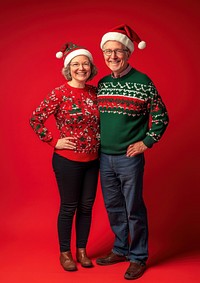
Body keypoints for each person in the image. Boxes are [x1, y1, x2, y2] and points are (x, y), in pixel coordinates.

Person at [96, 24, 169, 280]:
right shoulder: (102, 84)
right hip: (104, 157)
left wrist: (146, 143)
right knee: (113, 206)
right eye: (107, 51)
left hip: (129, 159)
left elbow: (161, 117)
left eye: (118, 51)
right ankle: (120, 249)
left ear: (128, 53)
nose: (112, 56)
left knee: (133, 208)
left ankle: (138, 256)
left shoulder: (143, 82)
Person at [29, 42, 100, 272]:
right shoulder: (59, 93)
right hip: (68, 161)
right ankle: (65, 252)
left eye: (85, 63)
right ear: (69, 68)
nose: (81, 68)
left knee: (87, 207)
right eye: (76, 64)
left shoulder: (94, 92)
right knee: (69, 206)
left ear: (91, 67)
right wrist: (52, 140)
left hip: (93, 160)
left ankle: (82, 250)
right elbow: (35, 119)